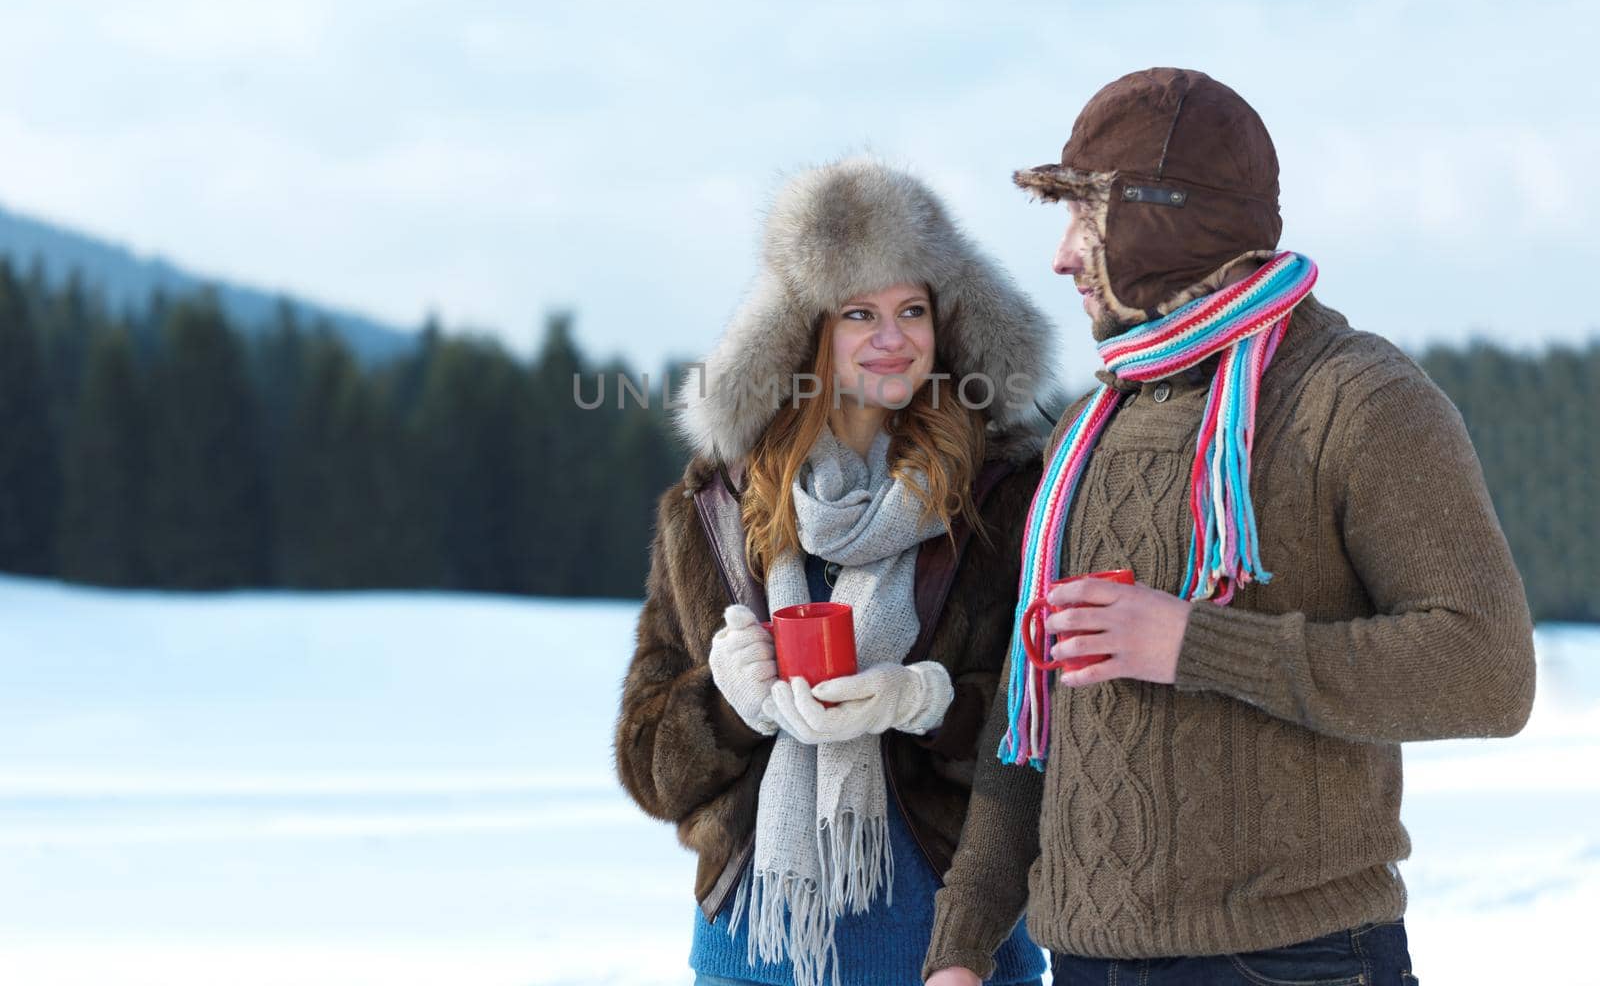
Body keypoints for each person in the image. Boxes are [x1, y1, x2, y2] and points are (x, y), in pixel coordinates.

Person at [922, 68, 1537, 986]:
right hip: (1082, 962)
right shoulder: (1092, 426)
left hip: (1292, 963)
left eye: (1085, 219)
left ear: (1162, 221)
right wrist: (962, 948)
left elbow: (1488, 671)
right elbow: (1030, 707)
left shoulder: (1359, 399)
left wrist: (1196, 645)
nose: (1059, 257)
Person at [614, 155, 1054, 986]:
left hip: (955, 951)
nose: (893, 339)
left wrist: (928, 703)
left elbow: (1054, 730)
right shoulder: (715, 505)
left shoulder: (1005, 497)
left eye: (912, 310)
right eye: (861, 312)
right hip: (754, 954)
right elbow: (648, 768)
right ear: (806, 331)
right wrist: (726, 705)